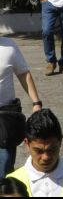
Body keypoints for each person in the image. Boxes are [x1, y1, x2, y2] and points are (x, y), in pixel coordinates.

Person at [6, 109, 63, 197]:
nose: (46, 157)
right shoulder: (13, 182)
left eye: (52, 149)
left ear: (60, 142)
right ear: (27, 144)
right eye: (39, 151)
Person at [0, 36, 43, 175]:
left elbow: (23, 74)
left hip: (4, 119)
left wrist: (36, 102)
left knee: (5, 165)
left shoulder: (9, 46)